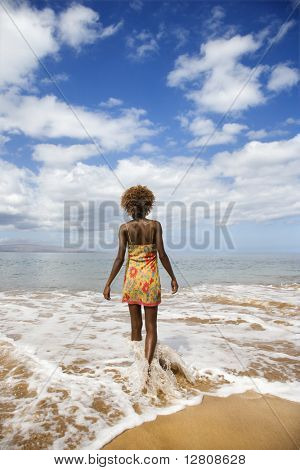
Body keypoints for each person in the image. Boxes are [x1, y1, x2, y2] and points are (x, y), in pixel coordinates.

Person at [103, 185, 178, 382]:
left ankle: (139, 365)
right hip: (150, 281)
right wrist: (173, 276)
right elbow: (162, 254)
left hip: (132, 281)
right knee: (151, 327)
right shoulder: (155, 226)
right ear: (148, 206)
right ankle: (146, 371)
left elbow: (119, 259)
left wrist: (108, 283)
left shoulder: (125, 229)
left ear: (129, 207)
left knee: (136, 327)